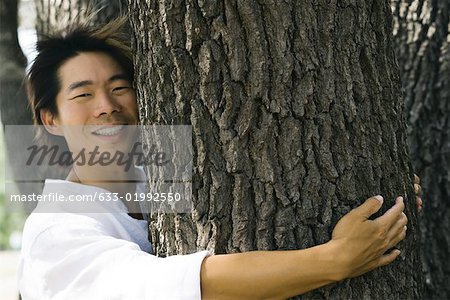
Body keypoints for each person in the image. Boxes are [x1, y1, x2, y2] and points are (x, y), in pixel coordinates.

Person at [17, 17, 422, 299]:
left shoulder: (167, 175)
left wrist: (388, 199)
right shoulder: (56, 233)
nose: (106, 106)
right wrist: (333, 261)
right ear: (51, 119)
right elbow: (180, 287)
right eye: (83, 94)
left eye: (120, 87)